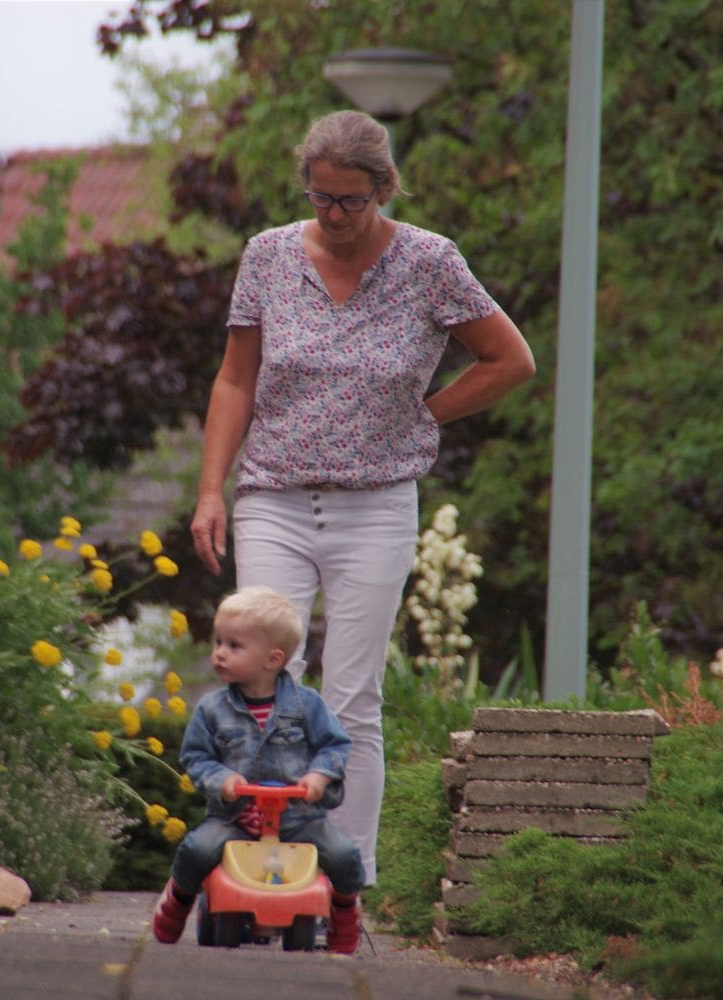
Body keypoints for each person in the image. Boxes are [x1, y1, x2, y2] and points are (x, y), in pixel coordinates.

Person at [190, 110, 536, 886]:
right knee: (264, 686)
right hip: (273, 495)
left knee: (350, 700)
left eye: (350, 200)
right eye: (320, 199)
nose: (335, 216)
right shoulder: (270, 256)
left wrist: (424, 413)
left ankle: (345, 878)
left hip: (375, 506)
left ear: (384, 187)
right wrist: (211, 489)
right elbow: (235, 378)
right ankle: (251, 868)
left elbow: (510, 360)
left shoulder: (430, 261)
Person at [152, 586, 366, 953]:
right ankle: (179, 899)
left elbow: (336, 745)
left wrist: (317, 776)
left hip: (299, 819)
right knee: (198, 847)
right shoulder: (211, 709)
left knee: (344, 855)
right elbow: (196, 757)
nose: (219, 653)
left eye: (234, 646)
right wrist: (223, 780)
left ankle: (344, 913)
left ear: (272, 659)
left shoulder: (306, 705)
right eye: (218, 641)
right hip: (236, 818)